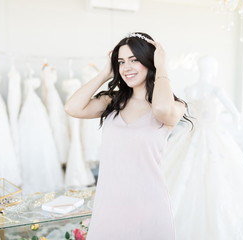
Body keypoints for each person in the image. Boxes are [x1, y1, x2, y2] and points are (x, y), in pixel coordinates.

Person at [64, 32, 190, 239]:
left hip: (149, 207)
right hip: (109, 205)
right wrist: (105, 72)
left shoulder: (175, 106)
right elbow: (72, 107)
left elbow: (160, 109)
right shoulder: (112, 102)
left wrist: (162, 68)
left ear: (150, 61)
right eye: (121, 62)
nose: (126, 67)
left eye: (134, 60)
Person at [162, 55, 243, 240]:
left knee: (185, 173)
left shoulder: (189, 90)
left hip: (190, 134)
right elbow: (234, 113)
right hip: (211, 135)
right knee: (214, 176)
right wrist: (236, 123)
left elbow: (182, 114)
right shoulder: (215, 89)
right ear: (210, 69)